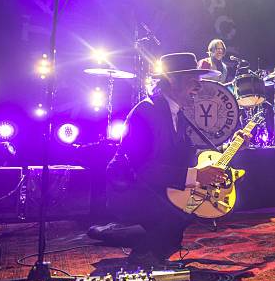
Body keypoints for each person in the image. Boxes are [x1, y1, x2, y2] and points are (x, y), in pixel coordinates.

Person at [103, 52, 242, 266]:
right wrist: (196, 176)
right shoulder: (145, 112)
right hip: (130, 192)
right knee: (175, 214)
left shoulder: (178, 114)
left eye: (199, 81)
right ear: (171, 80)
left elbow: (187, 156)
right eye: (192, 81)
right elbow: (142, 170)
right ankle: (130, 236)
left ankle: (145, 239)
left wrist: (230, 147)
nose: (199, 87)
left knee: (190, 208)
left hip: (156, 186)